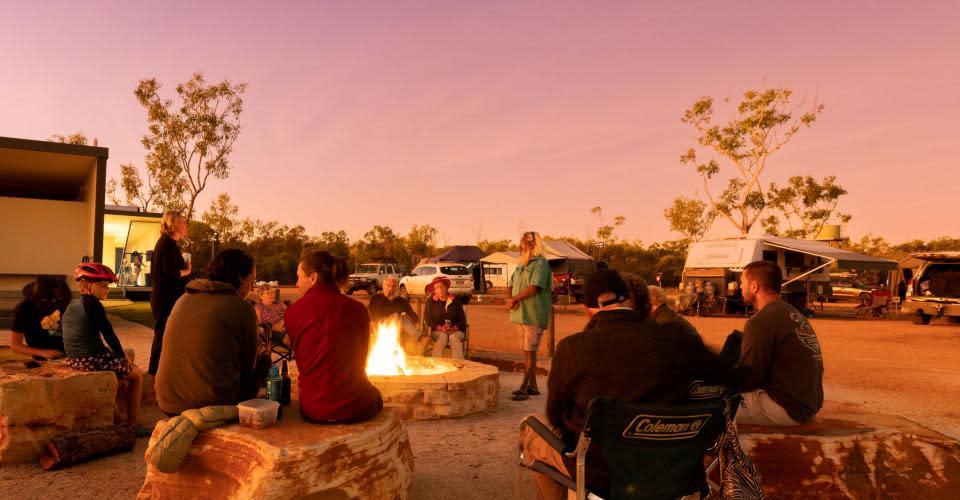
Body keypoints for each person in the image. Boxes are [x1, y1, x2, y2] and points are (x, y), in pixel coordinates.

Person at [520, 270, 732, 499]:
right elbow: (726, 380)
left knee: (532, 432)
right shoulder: (677, 338)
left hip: (602, 477)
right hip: (675, 472)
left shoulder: (573, 348)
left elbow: (555, 415)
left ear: (589, 309)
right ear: (629, 300)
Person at [155, 249, 267, 415]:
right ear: (241, 277)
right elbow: (247, 366)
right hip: (212, 404)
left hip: (167, 402)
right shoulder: (241, 308)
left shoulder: (183, 298)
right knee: (264, 362)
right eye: (252, 280)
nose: (251, 287)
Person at [284, 250, 382, 424]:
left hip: (312, 409)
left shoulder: (292, 312)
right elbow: (362, 358)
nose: (296, 283)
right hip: (355, 408)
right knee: (377, 395)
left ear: (313, 277)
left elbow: (302, 360)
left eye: (299, 277)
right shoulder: (358, 309)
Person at [735, 260, 824, 426]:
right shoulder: (792, 313)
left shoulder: (762, 320)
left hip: (786, 408)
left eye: (742, 283)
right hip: (808, 404)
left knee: (710, 407)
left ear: (754, 286)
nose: (740, 287)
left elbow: (750, 376)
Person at [62, 263, 147, 434]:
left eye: (108, 285)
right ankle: (133, 425)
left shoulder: (74, 304)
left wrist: (122, 356)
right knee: (137, 375)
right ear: (87, 285)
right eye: (102, 285)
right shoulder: (93, 305)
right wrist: (121, 357)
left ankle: (117, 411)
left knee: (128, 353)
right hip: (90, 359)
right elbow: (109, 334)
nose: (107, 289)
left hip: (75, 358)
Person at [506, 231, 552, 401]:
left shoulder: (541, 264)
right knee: (528, 351)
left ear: (532, 245)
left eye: (522, 244)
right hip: (520, 314)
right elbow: (510, 282)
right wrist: (510, 299)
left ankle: (523, 388)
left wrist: (516, 298)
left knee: (529, 352)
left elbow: (535, 287)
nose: (519, 247)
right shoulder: (521, 264)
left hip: (534, 314)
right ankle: (533, 387)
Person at [148, 211, 192, 384]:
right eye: (183, 221)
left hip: (167, 299)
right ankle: (152, 385)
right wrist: (187, 270)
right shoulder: (167, 244)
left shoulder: (169, 244)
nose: (186, 224)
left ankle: (160, 381)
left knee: (167, 339)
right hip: (165, 300)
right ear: (174, 224)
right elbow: (171, 273)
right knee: (161, 340)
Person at [10, 277, 71, 360]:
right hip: (43, 361)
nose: (57, 301)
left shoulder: (62, 303)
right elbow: (15, 345)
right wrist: (41, 352)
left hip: (67, 356)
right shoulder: (25, 309)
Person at [367, 276, 422, 353]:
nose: (391, 289)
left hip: (400, 328)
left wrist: (408, 317)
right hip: (381, 327)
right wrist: (385, 297)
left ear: (397, 288)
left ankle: (418, 337)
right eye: (388, 286)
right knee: (396, 316)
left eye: (393, 286)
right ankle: (420, 337)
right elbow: (373, 315)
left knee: (400, 318)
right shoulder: (376, 298)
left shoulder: (402, 301)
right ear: (383, 287)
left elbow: (415, 318)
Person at [423, 276, 467, 359]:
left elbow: (462, 320)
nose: (439, 289)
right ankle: (436, 361)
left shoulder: (455, 301)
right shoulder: (430, 302)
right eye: (436, 288)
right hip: (437, 331)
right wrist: (440, 328)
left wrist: (454, 328)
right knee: (443, 336)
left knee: (453, 337)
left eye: (441, 286)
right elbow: (428, 319)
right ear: (434, 290)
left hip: (456, 330)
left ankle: (459, 363)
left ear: (446, 287)